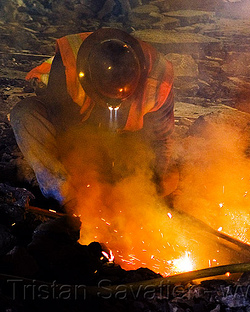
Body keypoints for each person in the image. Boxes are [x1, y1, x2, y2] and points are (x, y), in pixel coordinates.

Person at [10, 28, 177, 208]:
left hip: (128, 144)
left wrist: (152, 187)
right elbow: (67, 130)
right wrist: (87, 183)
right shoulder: (68, 63)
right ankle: (66, 197)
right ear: (88, 79)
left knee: (157, 177)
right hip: (79, 130)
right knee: (24, 114)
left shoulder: (160, 79)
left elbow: (161, 139)